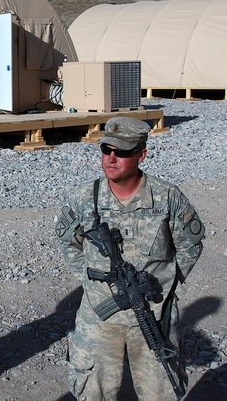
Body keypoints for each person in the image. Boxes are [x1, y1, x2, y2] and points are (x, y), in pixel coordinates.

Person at [55, 116, 205, 400]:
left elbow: (190, 245)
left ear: (141, 155)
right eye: (106, 150)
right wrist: (92, 282)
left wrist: (165, 284)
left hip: (153, 314)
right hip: (99, 317)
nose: (111, 158)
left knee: (160, 390)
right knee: (92, 391)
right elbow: (68, 241)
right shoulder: (86, 198)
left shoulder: (166, 197)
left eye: (122, 152)